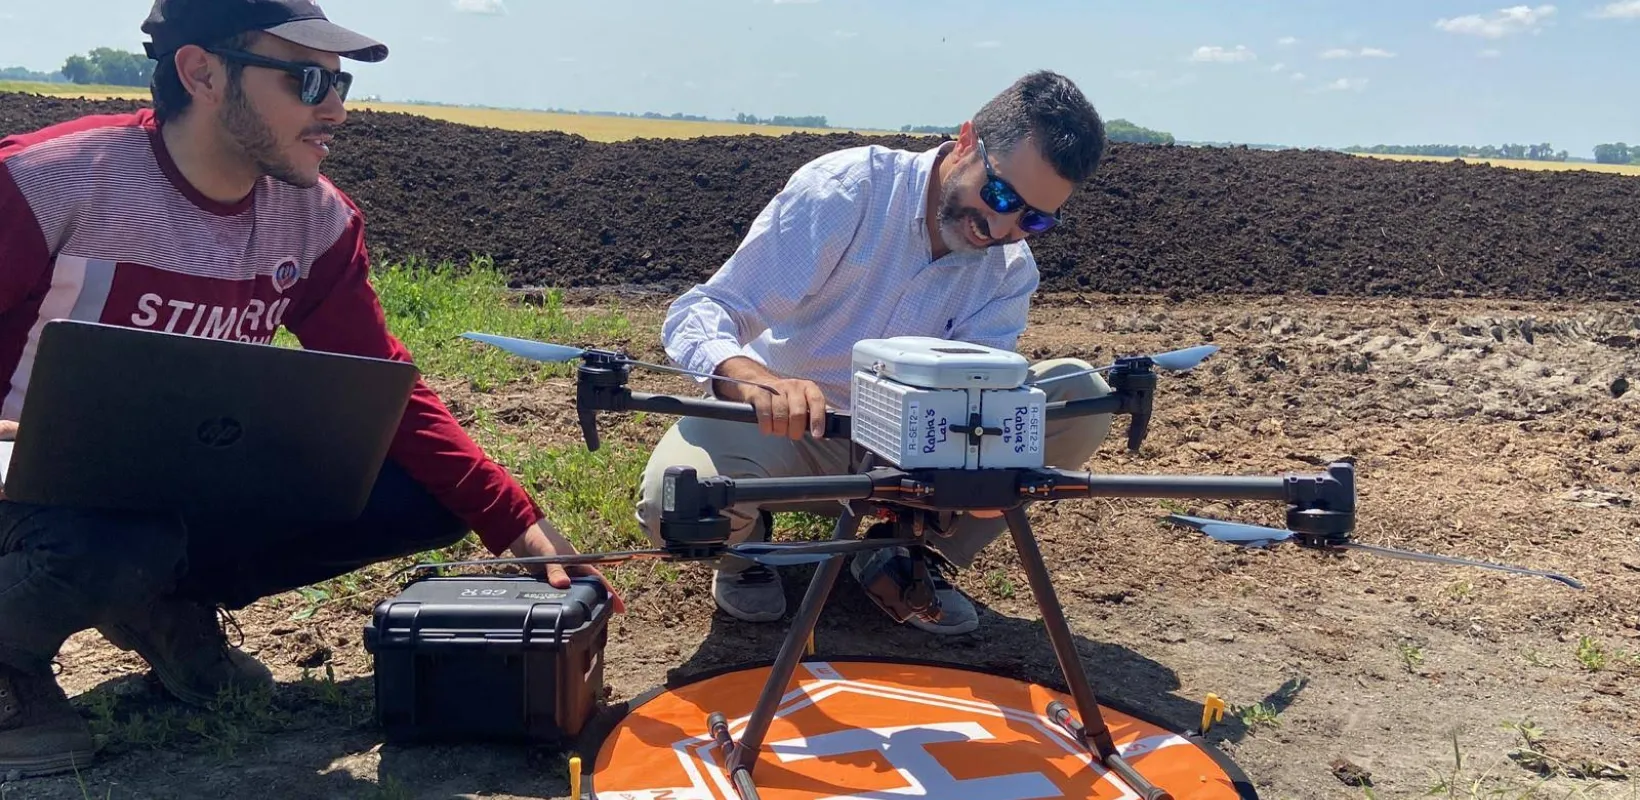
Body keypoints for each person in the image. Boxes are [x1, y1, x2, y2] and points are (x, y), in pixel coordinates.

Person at [0, 0, 616, 777]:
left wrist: (515, 523)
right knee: (114, 540)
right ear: (202, 73)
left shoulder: (314, 220)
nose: (335, 108)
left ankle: (163, 606)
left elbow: (384, 386)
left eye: (341, 82)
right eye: (307, 78)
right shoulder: (48, 182)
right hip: (23, 493)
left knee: (420, 492)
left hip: (170, 485)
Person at [637, 70, 1114, 637]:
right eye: (1001, 195)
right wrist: (752, 379)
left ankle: (899, 553)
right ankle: (748, 551)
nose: (1001, 227)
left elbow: (978, 396)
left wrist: (983, 474)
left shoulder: (1010, 273)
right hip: (793, 431)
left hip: (913, 449)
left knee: (1079, 397)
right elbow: (704, 309)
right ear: (966, 142)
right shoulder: (848, 193)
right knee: (675, 499)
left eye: (1033, 219)